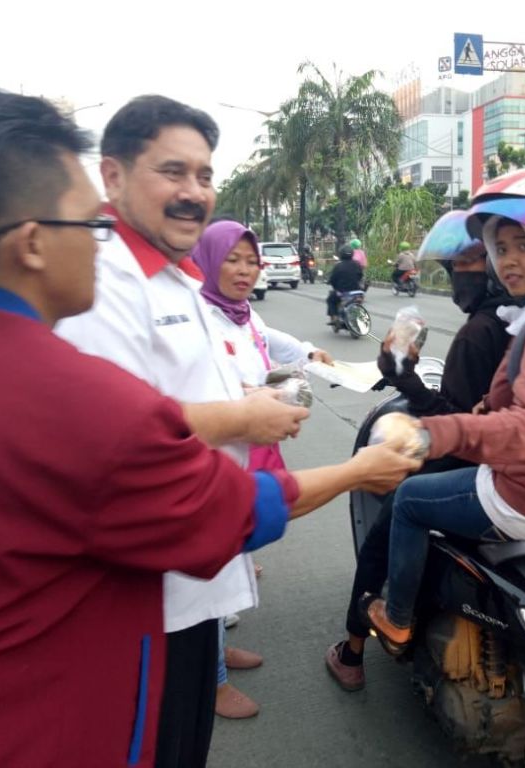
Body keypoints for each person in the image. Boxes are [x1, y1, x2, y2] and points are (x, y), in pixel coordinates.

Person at [0, 87, 419, 768]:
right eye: (88, 225)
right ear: (32, 244)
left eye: (204, 174)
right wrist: (361, 470)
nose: (101, 245)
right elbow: (235, 509)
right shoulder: (66, 393)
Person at [52, 95, 397, 768]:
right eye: (172, 172)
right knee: (161, 745)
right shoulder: (104, 286)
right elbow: (114, 437)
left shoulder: (177, 279)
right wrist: (251, 419)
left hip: (195, 562)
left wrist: (249, 400)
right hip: (149, 590)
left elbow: (183, 392)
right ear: (113, 176)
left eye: (204, 175)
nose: (193, 192)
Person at [364, 169, 525, 651]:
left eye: (524, 245)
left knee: (409, 501)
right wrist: (486, 408)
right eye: (500, 248)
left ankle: (397, 617)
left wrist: (430, 434)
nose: (508, 260)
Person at [324, 210, 516, 691]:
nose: (458, 277)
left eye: (468, 264)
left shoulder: (479, 332)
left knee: (386, 531)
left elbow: (457, 421)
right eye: (454, 267)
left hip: (477, 465)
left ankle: (355, 650)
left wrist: (403, 376)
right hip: (523, 465)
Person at [191, 219, 334, 719]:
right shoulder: (199, 317)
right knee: (210, 564)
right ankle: (211, 683)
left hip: (247, 448)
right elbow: (201, 389)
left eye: (251, 261)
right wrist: (251, 397)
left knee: (232, 554)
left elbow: (270, 339)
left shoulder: (242, 314)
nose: (244, 270)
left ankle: (216, 651)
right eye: (232, 260)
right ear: (209, 261)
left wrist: (310, 354)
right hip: (211, 455)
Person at [326, 243, 364, 324]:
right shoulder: (357, 264)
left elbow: (333, 279)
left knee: (330, 299)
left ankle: (334, 317)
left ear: (341, 254)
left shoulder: (338, 266)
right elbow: (360, 276)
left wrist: (332, 283)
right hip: (357, 292)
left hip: (343, 292)